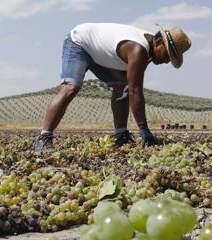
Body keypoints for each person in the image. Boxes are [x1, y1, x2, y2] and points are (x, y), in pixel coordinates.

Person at [34, 23, 192, 153]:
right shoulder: (138, 50)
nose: (166, 61)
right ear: (158, 42)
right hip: (80, 43)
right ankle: (44, 138)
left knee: (121, 87)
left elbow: (131, 86)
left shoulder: (148, 49)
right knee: (71, 88)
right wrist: (144, 130)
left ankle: (120, 134)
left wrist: (128, 86)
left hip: (100, 55)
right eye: (168, 55)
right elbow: (136, 92)